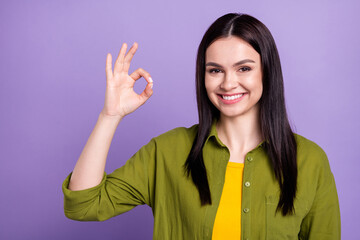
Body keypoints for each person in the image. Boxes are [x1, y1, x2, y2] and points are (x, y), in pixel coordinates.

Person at [62, 13, 341, 239]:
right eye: (215, 70)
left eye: (244, 68)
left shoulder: (310, 161)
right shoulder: (168, 150)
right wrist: (110, 116)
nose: (228, 83)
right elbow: (83, 205)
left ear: (267, 72)